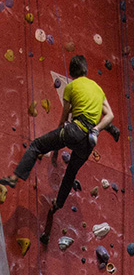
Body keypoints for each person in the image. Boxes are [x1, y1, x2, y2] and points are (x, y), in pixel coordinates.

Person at [1, 55, 117, 225]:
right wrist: (97, 129)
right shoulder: (98, 89)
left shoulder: (71, 87)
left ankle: (15, 177)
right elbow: (110, 115)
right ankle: (58, 204)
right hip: (88, 140)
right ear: (85, 69)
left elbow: (64, 119)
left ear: (71, 72)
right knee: (70, 173)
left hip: (73, 130)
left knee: (36, 145)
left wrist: (55, 149)